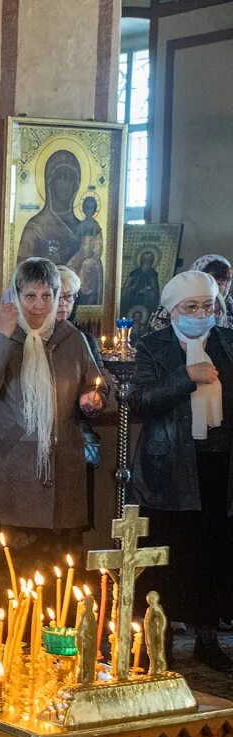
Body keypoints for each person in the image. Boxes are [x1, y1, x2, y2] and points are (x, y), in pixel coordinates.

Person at [0, 258, 107, 580]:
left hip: (61, 465)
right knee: (9, 575)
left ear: (58, 297)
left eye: (47, 296)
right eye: (30, 296)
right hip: (12, 468)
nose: (38, 305)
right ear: (16, 296)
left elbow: (94, 386)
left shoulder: (72, 339)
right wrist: (4, 337)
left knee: (58, 578)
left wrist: (92, 400)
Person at [129, 271, 233, 671]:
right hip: (170, 468)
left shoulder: (227, 342)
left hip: (218, 467)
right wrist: (186, 378)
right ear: (172, 310)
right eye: (191, 307)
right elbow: (140, 400)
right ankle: (161, 642)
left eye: (207, 306)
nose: (201, 314)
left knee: (213, 553)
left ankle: (208, 638)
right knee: (169, 558)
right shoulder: (153, 346)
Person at [57, 266, 111, 531]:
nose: (64, 303)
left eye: (71, 297)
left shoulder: (84, 339)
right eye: (59, 295)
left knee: (69, 525)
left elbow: (98, 385)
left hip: (74, 441)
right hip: (29, 447)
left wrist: (93, 400)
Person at [191, 254, 232, 329]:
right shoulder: (181, 302)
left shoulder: (230, 306)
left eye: (225, 279)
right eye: (214, 278)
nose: (221, 286)